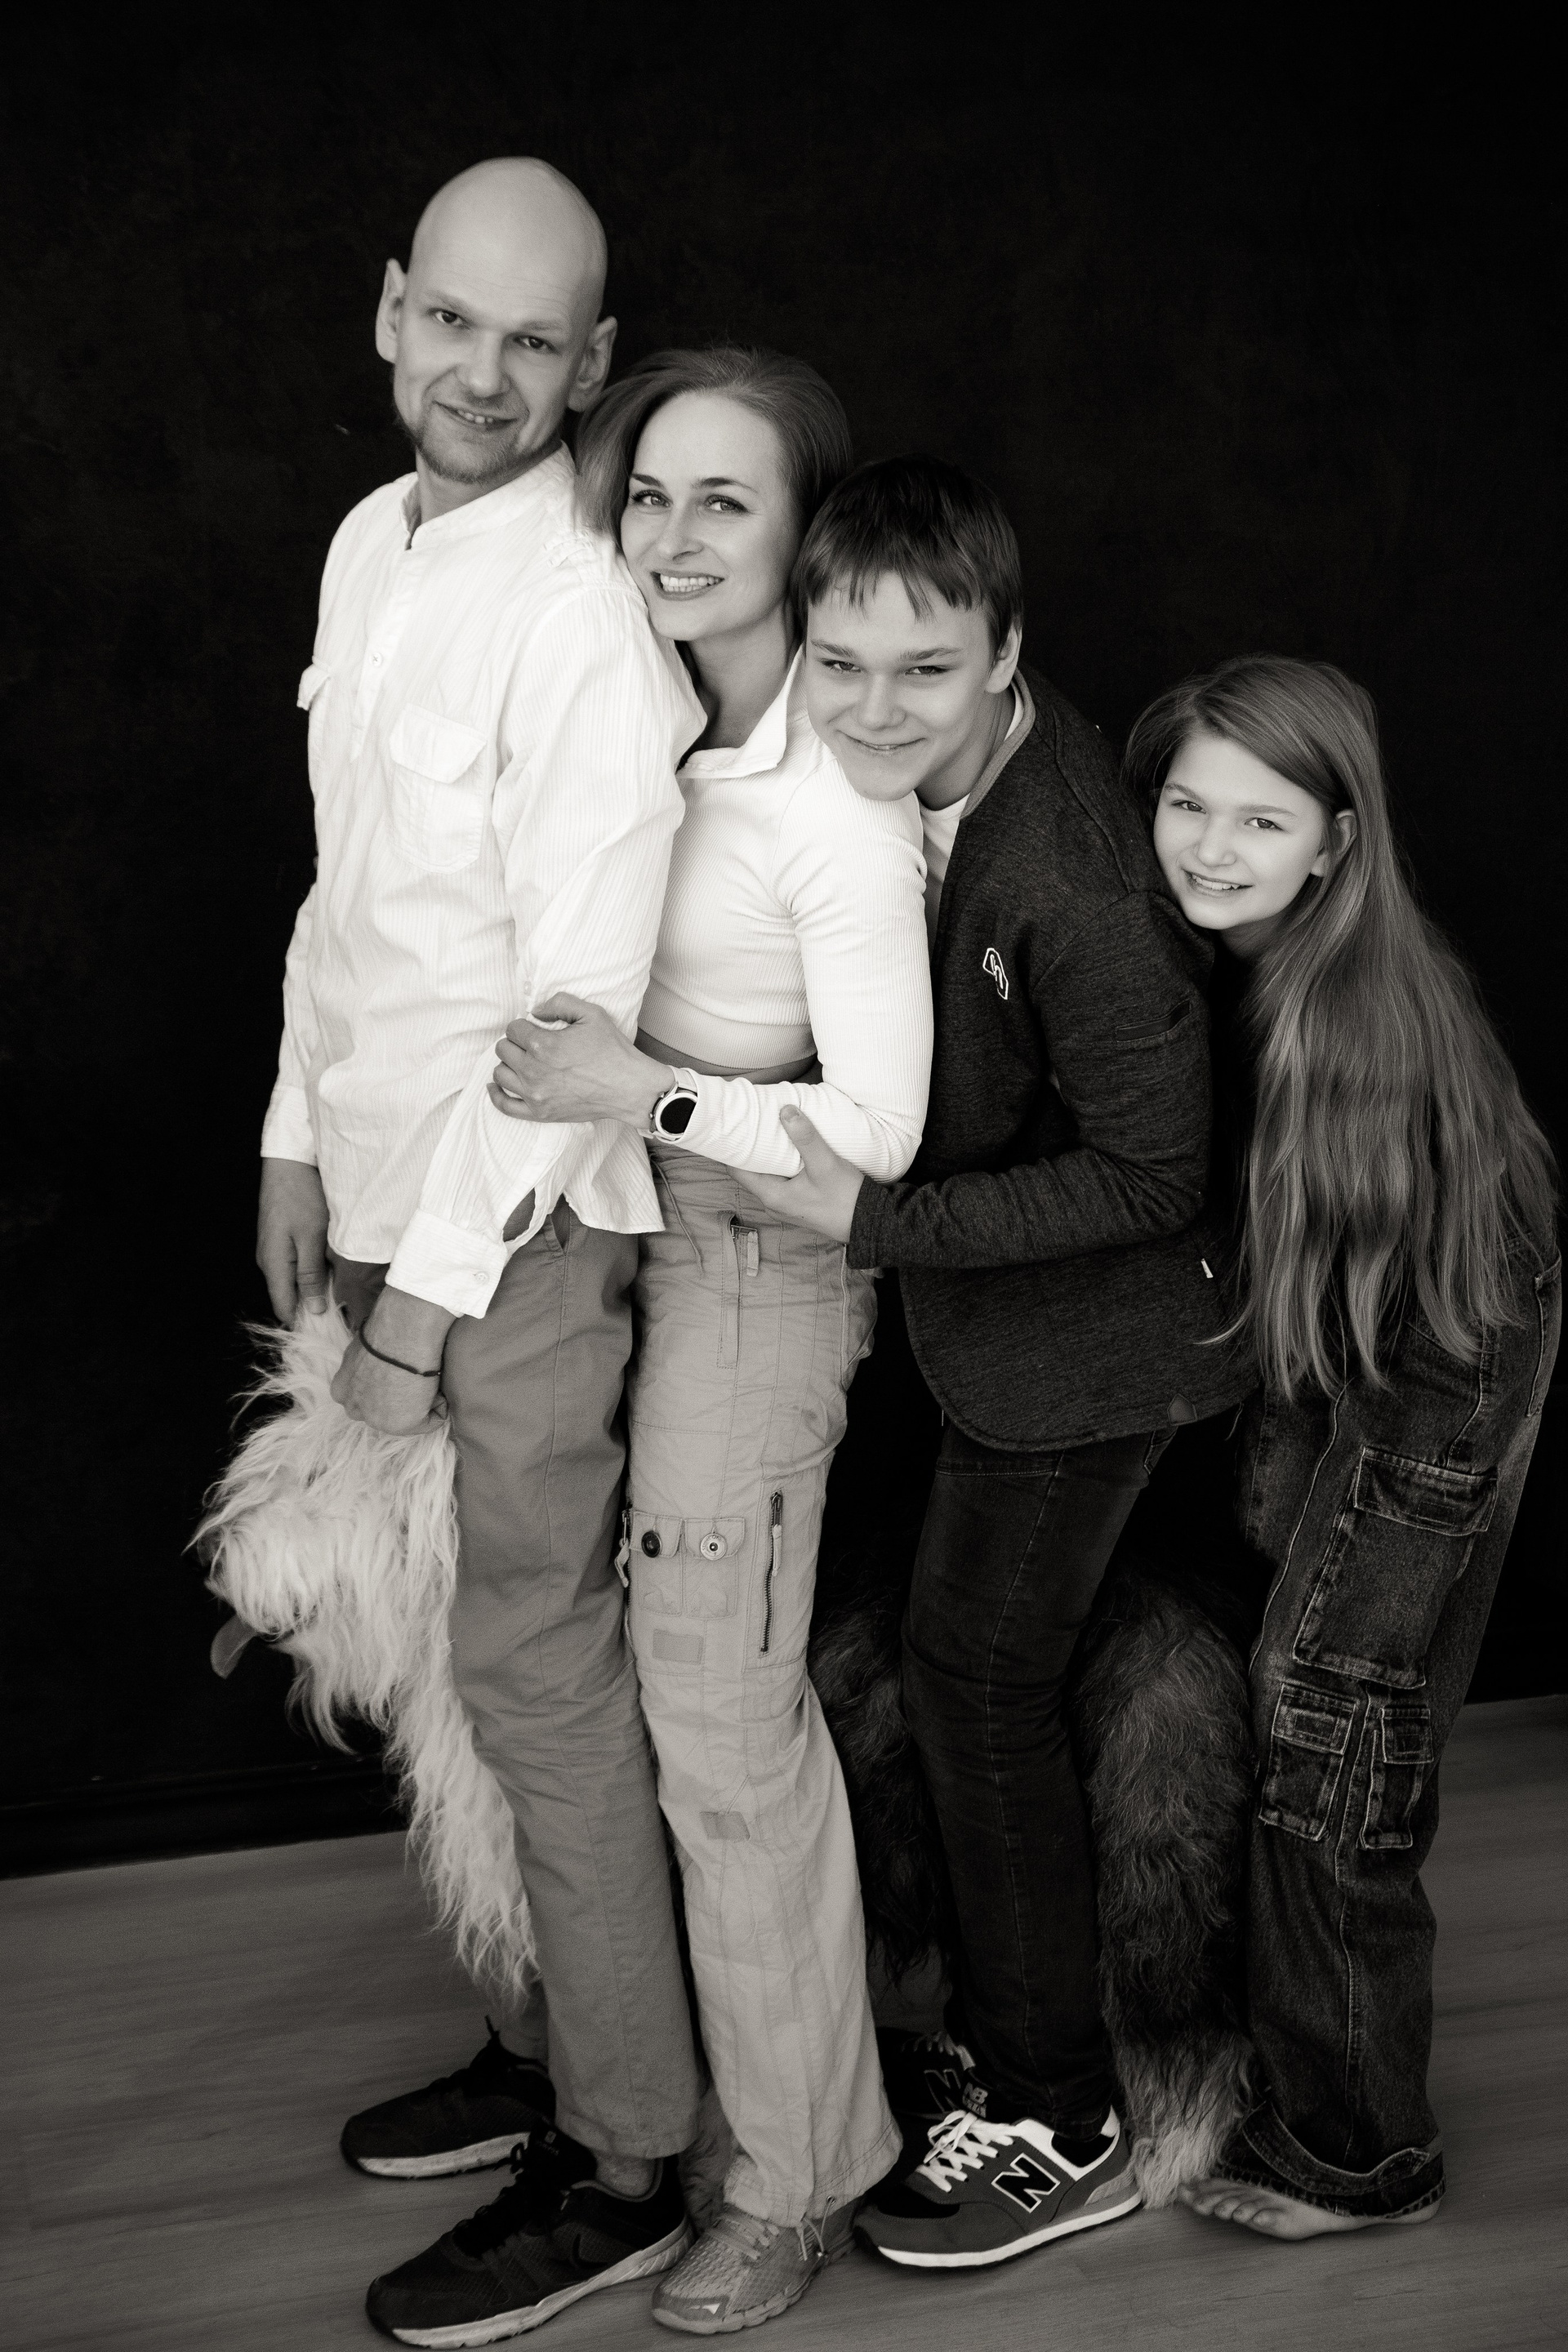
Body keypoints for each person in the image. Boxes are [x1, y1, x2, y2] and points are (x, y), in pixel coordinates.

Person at [254, 159, 715, 2344]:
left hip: (508, 1239)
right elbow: (345, 890)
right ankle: (538, 2051)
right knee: (443, 1667)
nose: (484, 372)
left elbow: (568, 1021)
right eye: (453, 320)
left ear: (592, 362)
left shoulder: (585, 623)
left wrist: (423, 1304)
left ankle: (623, 2161)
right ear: (390, 312)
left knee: (533, 1677)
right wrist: (291, 1132)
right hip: (367, 1187)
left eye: (535, 342)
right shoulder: (371, 541)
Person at [741, 455, 1251, 2271]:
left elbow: (1154, 1173)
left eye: (927, 671)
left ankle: (1062, 2116)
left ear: (1008, 653)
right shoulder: (896, 790)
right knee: (953, 1674)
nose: (875, 709)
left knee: (972, 1682)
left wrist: (872, 1222)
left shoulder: (1073, 875)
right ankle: (1006, 2038)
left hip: (1095, 1354)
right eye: (841, 663)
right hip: (1001, 1340)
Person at [485, 348, 932, 2333]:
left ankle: (799, 2175)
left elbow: (878, 1135)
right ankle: (613, 2098)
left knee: (723, 1723)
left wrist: (642, 1087)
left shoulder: (832, 798)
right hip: (621, 1219)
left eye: (724, 500)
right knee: (591, 1684)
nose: (671, 535)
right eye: (650, 493)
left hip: (761, 1253)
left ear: (805, 527)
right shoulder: (647, 717)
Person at [1125, 655, 1559, 2236]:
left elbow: (1416, 1314)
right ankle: (1277, 2054)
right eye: (1189, 804)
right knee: (1275, 1680)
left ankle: (1366, 2153)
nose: (1213, 846)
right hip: (1351, 1337)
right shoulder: (1230, 958)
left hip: (1438, 1359)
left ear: (1336, 841)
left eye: (1262, 819)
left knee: (1336, 1730)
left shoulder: (1346, 1014)